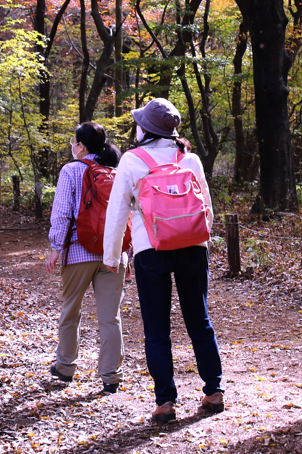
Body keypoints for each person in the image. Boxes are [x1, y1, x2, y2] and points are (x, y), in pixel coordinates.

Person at [102, 98, 224, 424]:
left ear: (146, 128)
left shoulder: (131, 160)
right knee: (199, 319)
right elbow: (207, 208)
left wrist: (112, 256)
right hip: (193, 246)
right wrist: (199, 239)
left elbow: (117, 212)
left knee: (157, 329)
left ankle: (166, 402)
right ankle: (214, 391)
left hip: (149, 248)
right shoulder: (191, 159)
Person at [45, 122, 126, 394]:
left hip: (79, 251)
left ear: (81, 146)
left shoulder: (71, 170)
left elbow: (62, 212)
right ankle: (111, 376)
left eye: (74, 142)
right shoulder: (116, 170)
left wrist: (56, 247)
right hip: (113, 254)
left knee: (71, 310)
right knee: (110, 317)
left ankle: (66, 368)